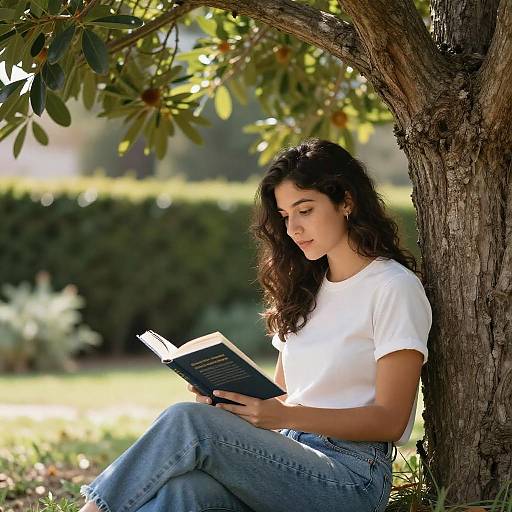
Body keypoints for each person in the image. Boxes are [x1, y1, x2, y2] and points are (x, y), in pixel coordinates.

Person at [79, 138, 432, 512]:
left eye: (305, 210)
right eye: (284, 216)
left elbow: (391, 420)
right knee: (184, 492)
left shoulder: (393, 288)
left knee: (187, 421)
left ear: (346, 201)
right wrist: (225, 401)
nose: (294, 228)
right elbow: (279, 399)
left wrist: (285, 416)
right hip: (288, 455)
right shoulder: (306, 290)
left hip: (352, 477)